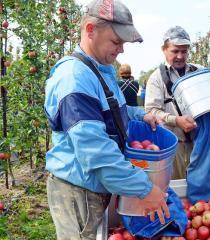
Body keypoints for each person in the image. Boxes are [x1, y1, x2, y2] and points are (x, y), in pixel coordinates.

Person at [44, 1, 169, 239]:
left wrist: (141, 114)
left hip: (94, 186)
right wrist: (145, 189)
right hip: (78, 190)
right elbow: (96, 152)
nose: (121, 49)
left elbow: (112, 112)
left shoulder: (101, 69)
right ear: (90, 30)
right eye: (116, 41)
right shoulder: (75, 78)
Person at [145, 26, 210, 180]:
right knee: (176, 187)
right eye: (175, 51)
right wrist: (176, 120)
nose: (180, 56)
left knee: (203, 187)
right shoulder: (156, 79)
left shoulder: (199, 72)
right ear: (164, 49)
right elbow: (152, 111)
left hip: (200, 143)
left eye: (184, 51)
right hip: (173, 145)